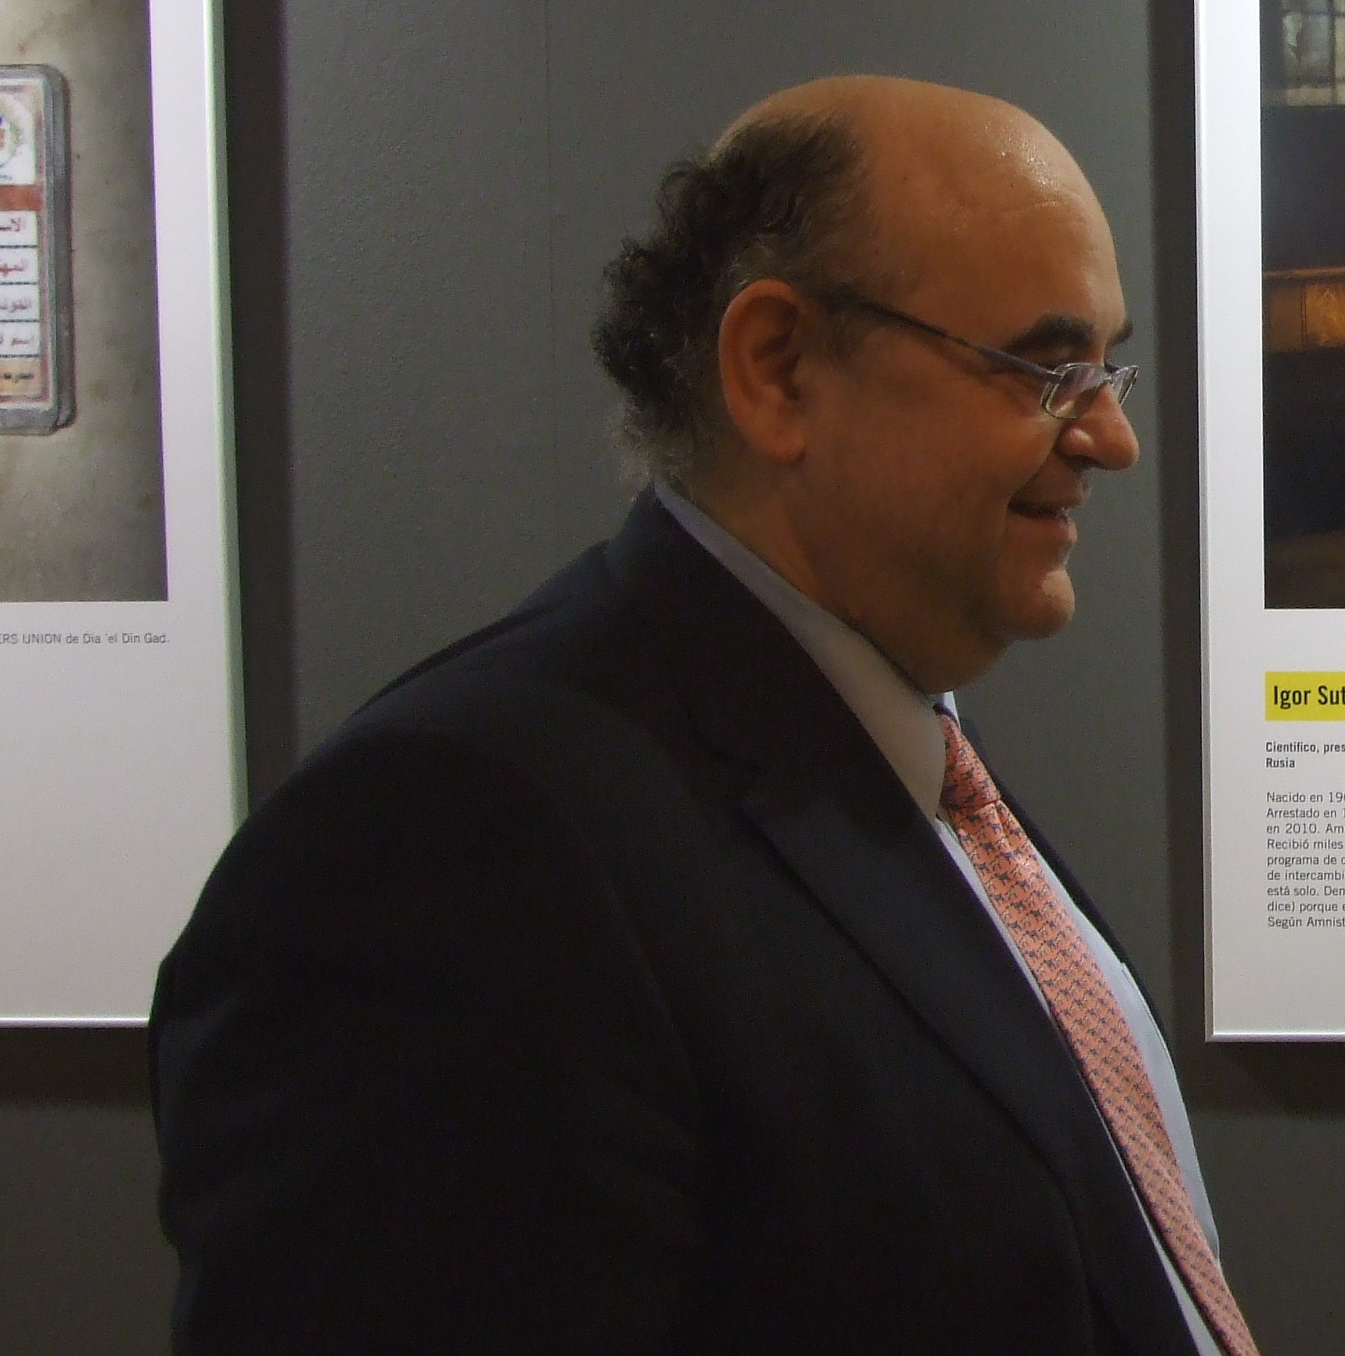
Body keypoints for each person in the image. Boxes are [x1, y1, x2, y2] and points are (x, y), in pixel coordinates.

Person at [152, 78, 1258, 1356]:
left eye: (1106, 365)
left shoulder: (897, 762)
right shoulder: (450, 848)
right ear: (777, 367)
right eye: (1047, 369)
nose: (1112, 437)